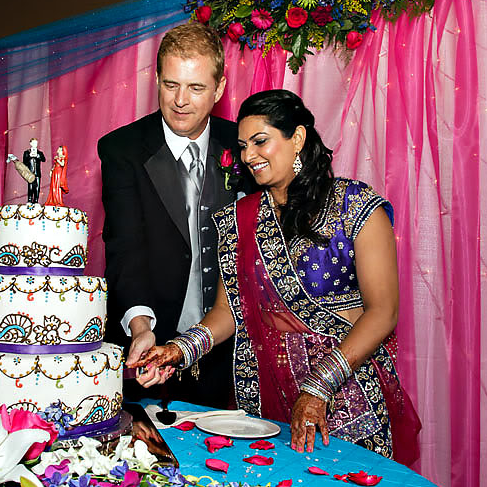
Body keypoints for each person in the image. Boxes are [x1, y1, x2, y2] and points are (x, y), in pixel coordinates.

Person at [135, 89, 421, 461]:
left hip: (346, 400)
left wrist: (319, 386)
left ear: (297, 138)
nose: (248, 156)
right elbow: (228, 312)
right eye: (242, 145)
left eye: (260, 141)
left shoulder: (355, 206)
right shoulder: (241, 219)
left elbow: (383, 312)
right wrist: (178, 350)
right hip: (265, 405)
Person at [97, 23, 247, 408]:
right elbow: (125, 248)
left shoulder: (246, 147)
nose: (181, 100)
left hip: (228, 348)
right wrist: (141, 326)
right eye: (170, 85)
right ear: (158, 80)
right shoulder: (122, 149)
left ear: (220, 88)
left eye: (196, 88)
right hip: (150, 347)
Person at [23, 139, 47, 204]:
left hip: (37, 173)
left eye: (36, 143)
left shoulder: (40, 153)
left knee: (37, 187)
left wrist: (37, 156)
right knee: (30, 187)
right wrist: (29, 156)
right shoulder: (27, 152)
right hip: (30, 172)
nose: (35, 144)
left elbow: (44, 159)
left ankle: (36, 200)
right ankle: (29, 200)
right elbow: (24, 162)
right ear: (30, 143)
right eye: (34, 143)